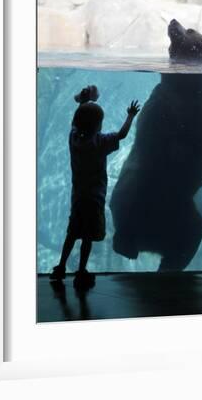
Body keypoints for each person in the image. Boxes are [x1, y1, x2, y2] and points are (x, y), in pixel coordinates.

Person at [49, 85, 140, 288]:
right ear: (99, 125)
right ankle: (81, 271)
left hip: (78, 197)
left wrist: (83, 102)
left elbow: (76, 122)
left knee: (72, 233)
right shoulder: (100, 142)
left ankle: (61, 267)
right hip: (95, 198)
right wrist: (131, 116)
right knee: (88, 237)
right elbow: (122, 135)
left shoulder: (74, 139)